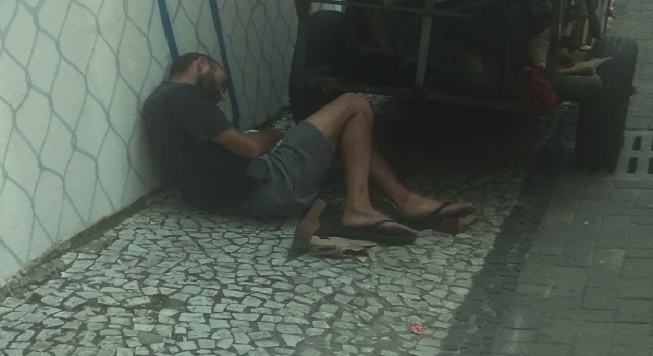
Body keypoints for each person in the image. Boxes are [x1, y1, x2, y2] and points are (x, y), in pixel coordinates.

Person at [141, 53, 473, 242]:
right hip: (264, 184)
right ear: (202, 63)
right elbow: (246, 148)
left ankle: (407, 202)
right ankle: (360, 209)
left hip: (243, 194)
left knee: (349, 135)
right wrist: (271, 137)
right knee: (354, 104)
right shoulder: (180, 95)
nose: (222, 96)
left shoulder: (158, 104)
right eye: (222, 84)